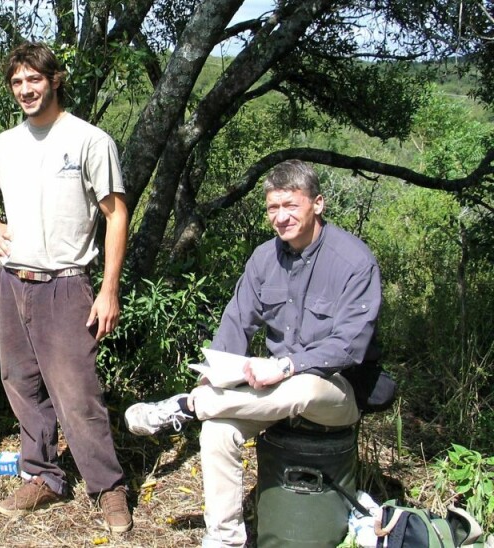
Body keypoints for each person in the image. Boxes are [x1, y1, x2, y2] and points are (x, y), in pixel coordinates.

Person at [124, 160, 382, 547]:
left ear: (318, 204)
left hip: (334, 391)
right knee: (217, 432)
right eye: (273, 208)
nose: (281, 217)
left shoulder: (354, 262)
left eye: (291, 206)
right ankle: (224, 537)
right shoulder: (265, 258)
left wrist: (286, 365)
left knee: (304, 389)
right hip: (272, 391)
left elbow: (349, 345)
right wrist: (212, 373)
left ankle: (189, 406)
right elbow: (236, 322)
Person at [0, 42, 133, 534]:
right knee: (20, 383)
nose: (25, 89)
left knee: (77, 394)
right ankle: (41, 475)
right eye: (17, 82)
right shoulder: (5, 143)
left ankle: (108, 489)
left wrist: (108, 291)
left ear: (55, 80)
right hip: (12, 281)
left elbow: (116, 215)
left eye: (34, 80)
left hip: (66, 284)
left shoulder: (88, 140)